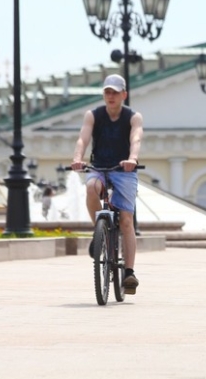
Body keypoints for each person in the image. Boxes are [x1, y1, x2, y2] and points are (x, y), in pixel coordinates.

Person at [71, 74, 143, 295]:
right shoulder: (93, 115)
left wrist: (132, 159)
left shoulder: (133, 117)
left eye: (115, 92)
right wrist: (77, 158)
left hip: (124, 170)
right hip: (99, 168)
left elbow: (136, 138)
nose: (110, 96)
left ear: (124, 95)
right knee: (91, 188)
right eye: (107, 92)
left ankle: (129, 273)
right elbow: (83, 138)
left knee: (127, 220)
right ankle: (99, 233)